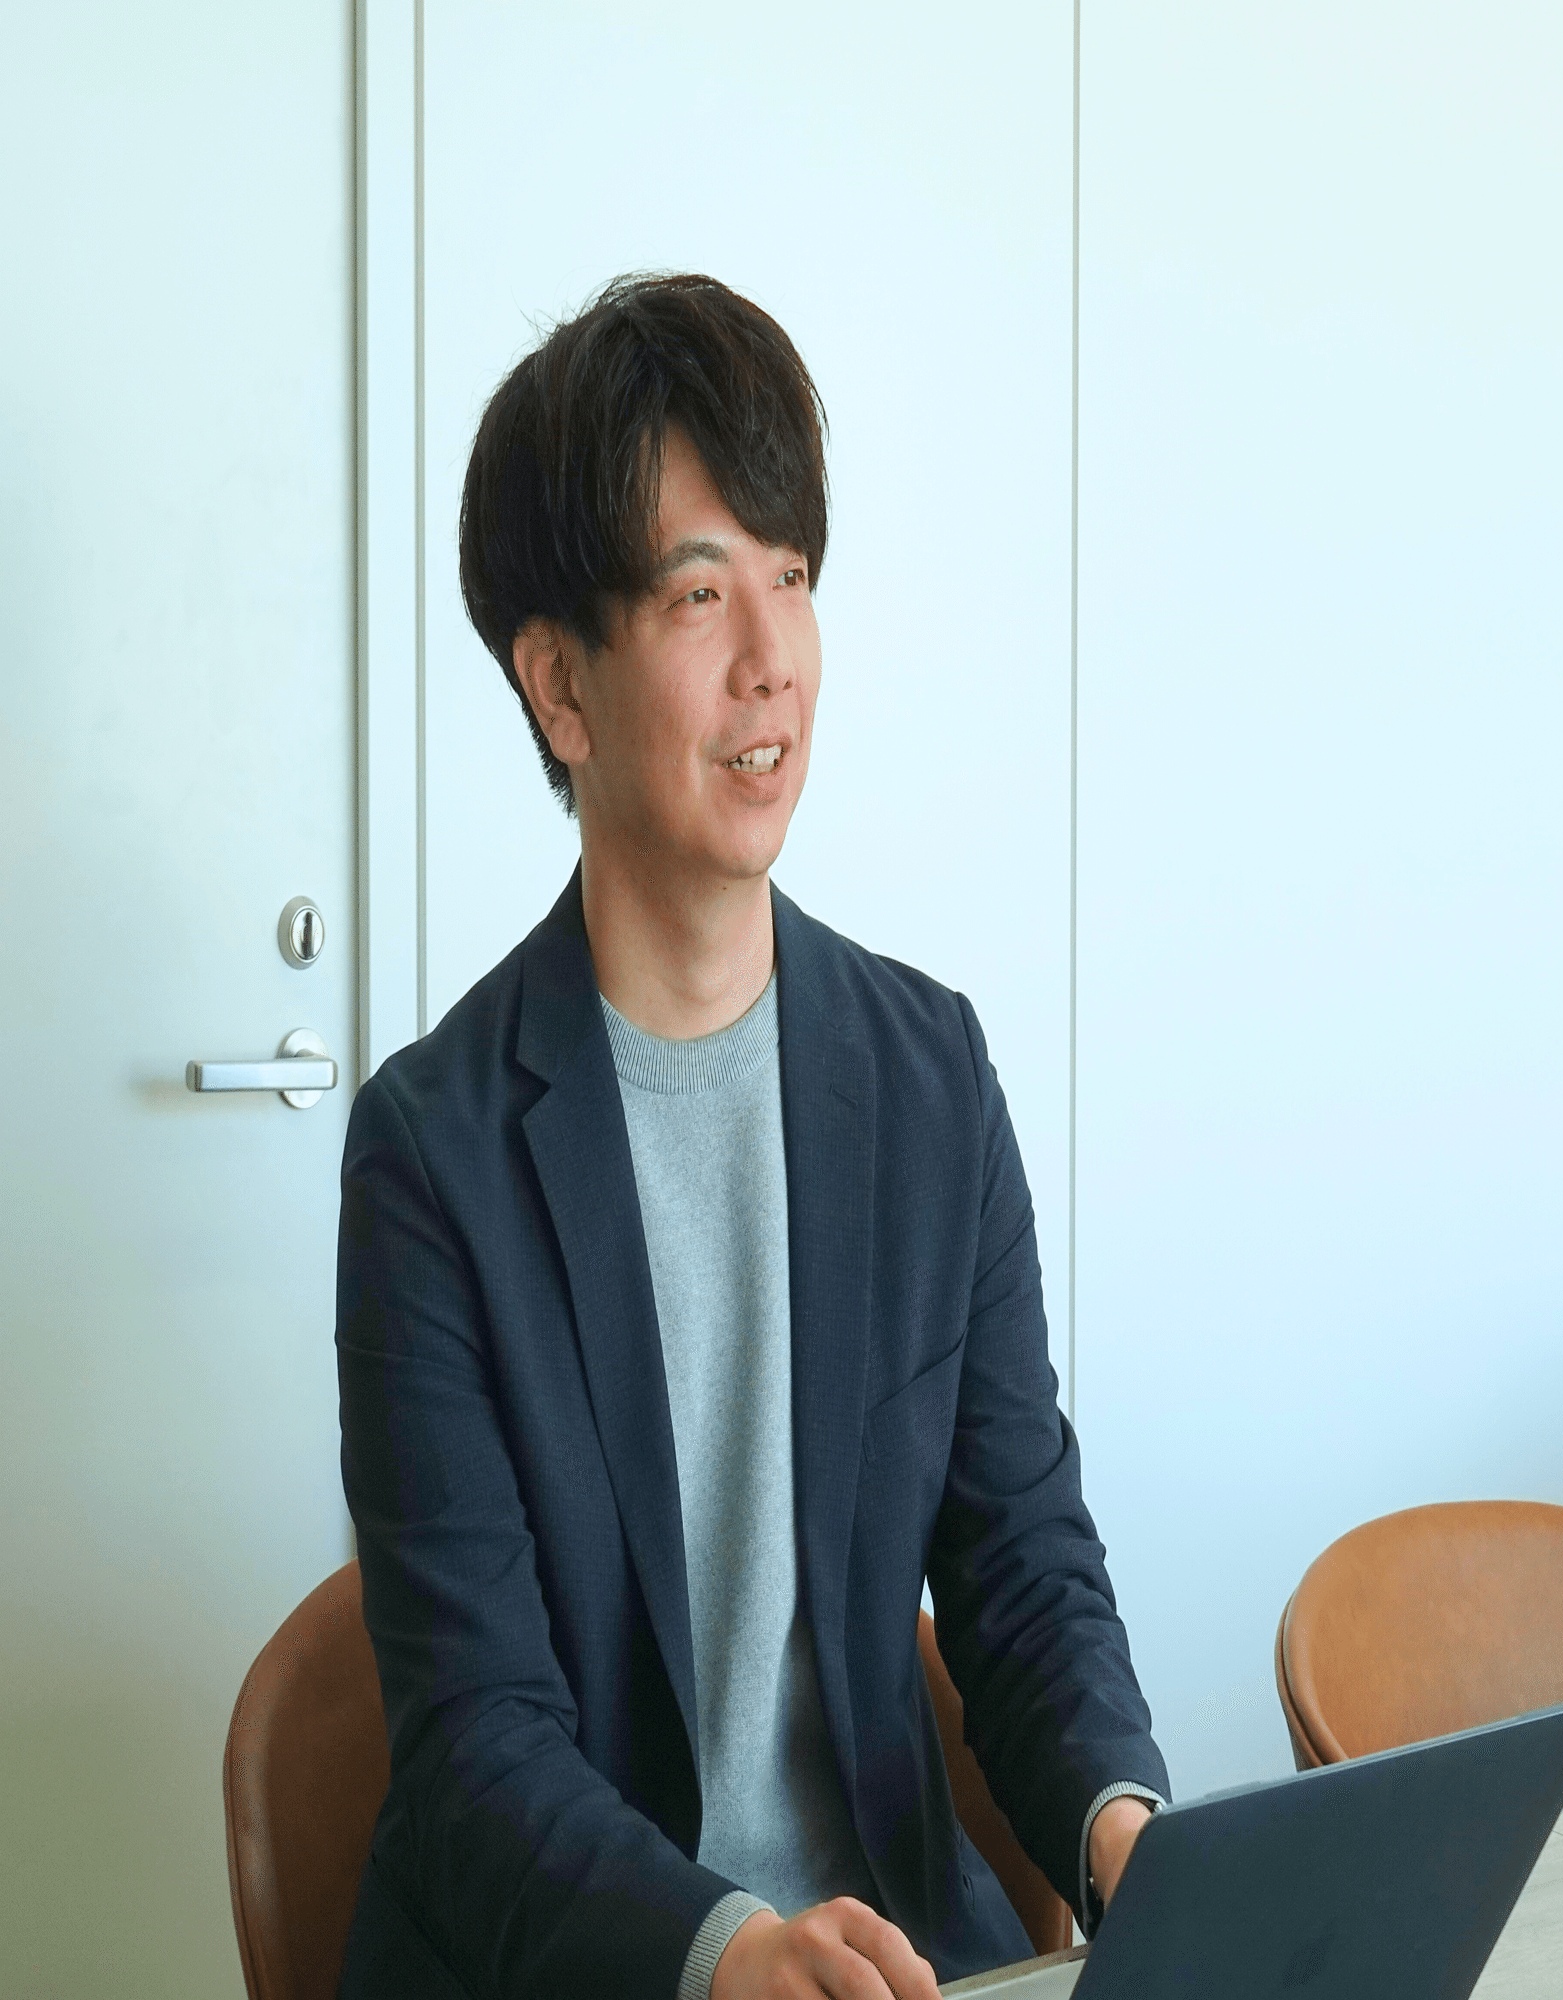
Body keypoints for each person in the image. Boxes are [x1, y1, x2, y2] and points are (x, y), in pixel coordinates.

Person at [335, 273, 1169, 2000]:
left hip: (894, 1958)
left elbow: (1021, 1566)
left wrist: (1123, 1829)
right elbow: (479, 1740)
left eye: (793, 577)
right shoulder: (432, 1159)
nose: (772, 655)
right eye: (701, 592)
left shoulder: (928, 1078)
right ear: (559, 688)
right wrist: (724, 1953)